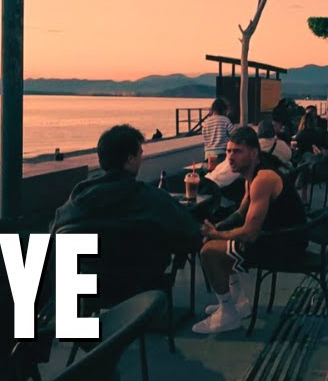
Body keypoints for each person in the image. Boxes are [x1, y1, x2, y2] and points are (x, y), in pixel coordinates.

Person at [51, 125, 200, 305]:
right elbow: (190, 236)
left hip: (88, 289)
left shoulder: (75, 203)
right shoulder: (154, 200)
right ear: (130, 159)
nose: (141, 159)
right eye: (139, 154)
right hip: (143, 289)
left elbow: (55, 240)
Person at [195, 126, 307, 334]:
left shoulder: (263, 179)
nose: (230, 157)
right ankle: (238, 302)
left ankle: (229, 313)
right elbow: (240, 212)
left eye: (237, 151)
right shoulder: (253, 173)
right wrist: (217, 227)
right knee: (215, 243)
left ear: (253, 153)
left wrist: (216, 236)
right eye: (228, 151)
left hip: (284, 244)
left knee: (209, 252)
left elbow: (249, 233)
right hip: (280, 237)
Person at [201, 98, 234, 172]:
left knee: (211, 174)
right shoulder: (225, 120)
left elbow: (205, 137)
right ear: (224, 110)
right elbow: (234, 134)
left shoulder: (205, 122)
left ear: (212, 109)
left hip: (208, 155)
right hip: (221, 154)